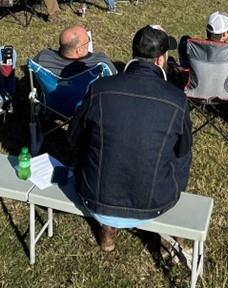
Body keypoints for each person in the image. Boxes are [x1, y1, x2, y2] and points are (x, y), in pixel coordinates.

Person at [69, 25, 192, 254]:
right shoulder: (177, 99)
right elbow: (182, 153)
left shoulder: (99, 88)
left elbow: (73, 138)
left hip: (95, 195)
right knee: (182, 150)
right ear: (160, 60)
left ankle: (108, 231)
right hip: (155, 204)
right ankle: (169, 235)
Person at [177, 11, 228, 93]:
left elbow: (185, 67)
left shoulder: (191, 47)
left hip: (194, 93)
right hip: (224, 95)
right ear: (224, 34)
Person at [33, 25, 117, 77]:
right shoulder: (101, 64)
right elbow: (113, 79)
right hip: (86, 104)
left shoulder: (43, 58)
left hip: (51, 104)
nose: (89, 41)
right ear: (79, 50)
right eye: (88, 39)